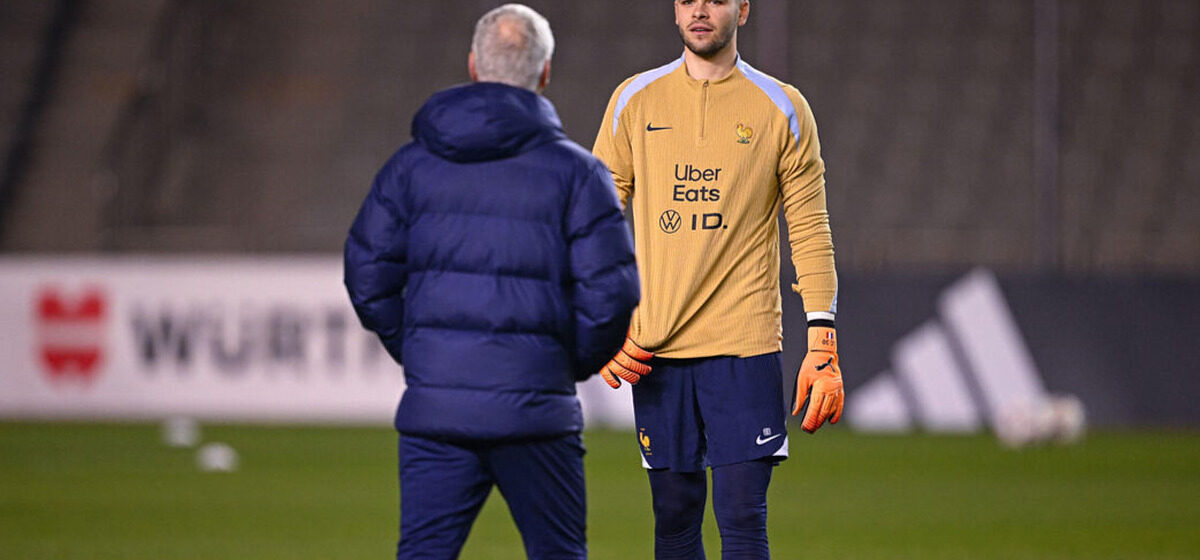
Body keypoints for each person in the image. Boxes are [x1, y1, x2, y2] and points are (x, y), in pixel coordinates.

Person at [344, 4, 639, 559]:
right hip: (537, 413)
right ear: (545, 71)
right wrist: (559, 363)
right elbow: (613, 292)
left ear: (474, 65)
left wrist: (423, 352)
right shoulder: (579, 174)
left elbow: (365, 273)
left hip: (439, 412)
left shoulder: (411, 166)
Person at [591, 0, 844, 557]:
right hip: (656, 348)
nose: (700, 9)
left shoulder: (783, 107)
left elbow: (810, 226)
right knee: (674, 517)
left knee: (741, 516)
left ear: (744, 10)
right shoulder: (634, 99)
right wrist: (601, 325)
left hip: (743, 346)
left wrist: (821, 339)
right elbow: (592, 218)